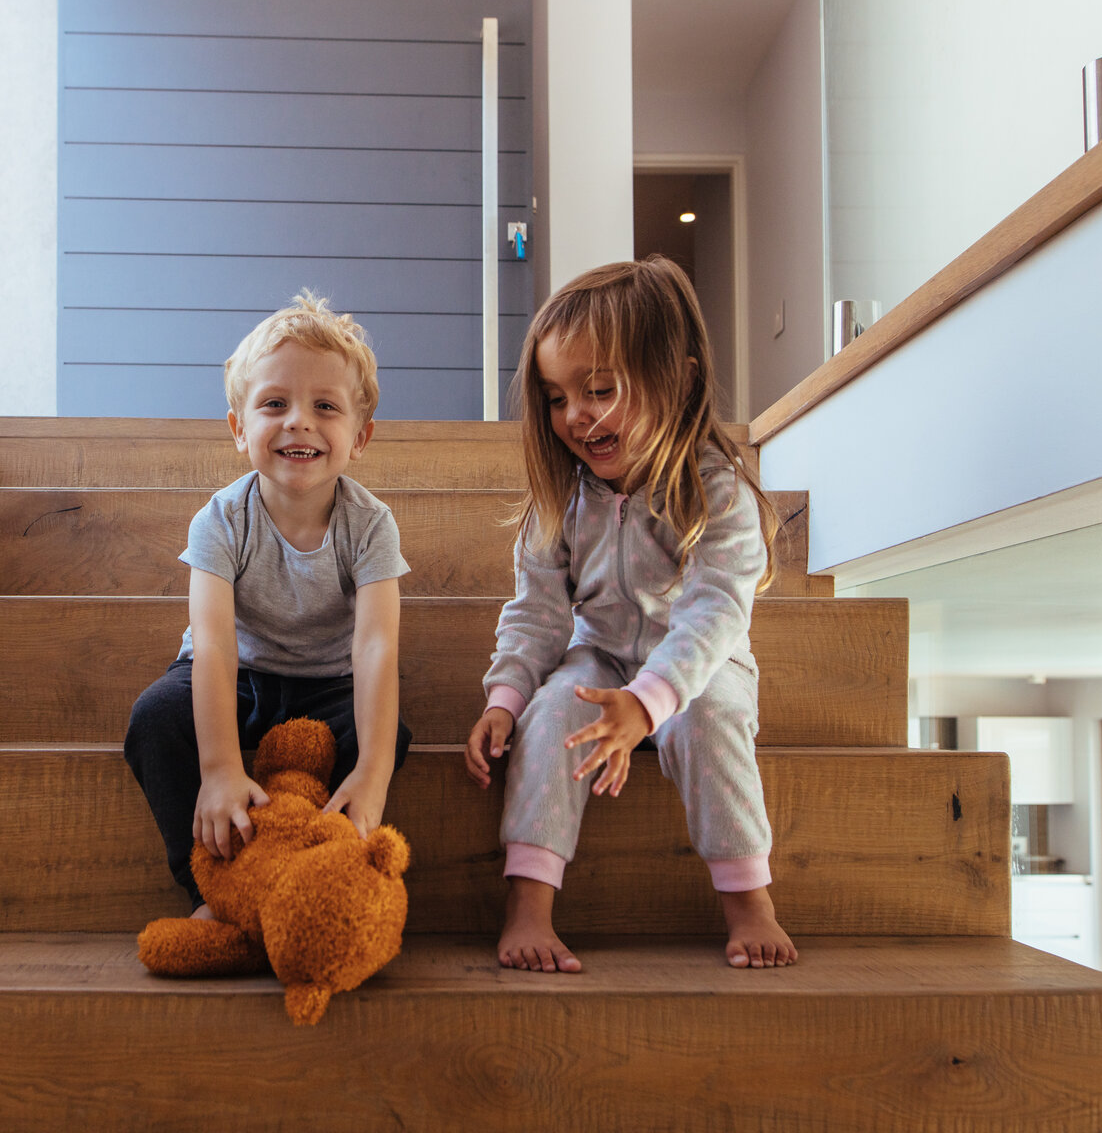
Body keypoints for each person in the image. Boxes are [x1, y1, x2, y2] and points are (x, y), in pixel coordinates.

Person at [464, 258, 798, 973]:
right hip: (598, 656)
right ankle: (528, 906)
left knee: (711, 717)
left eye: (600, 390)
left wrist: (648, 704)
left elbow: (714, 615)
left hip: (697, 666)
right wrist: (506, 697)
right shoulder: (564, 501)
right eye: (556, 398)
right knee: (553, 710)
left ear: (676, 380)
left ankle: (748, 902)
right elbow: (535, 615)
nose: (574, 416)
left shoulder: (716, 494)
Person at [124, 292, 411, 918]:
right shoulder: (221, 520)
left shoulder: (370, 524)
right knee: (154, 720)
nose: (298, 422)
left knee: (388, 736)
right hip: (243, 678)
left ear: (359, 437)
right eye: (274, 404)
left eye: (325, 407)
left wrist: (375, 774)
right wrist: (222, 766)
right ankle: (217, 894)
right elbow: (215, 647)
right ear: (238, 428)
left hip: (329, 684)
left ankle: (318, 879)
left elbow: (376, 646)